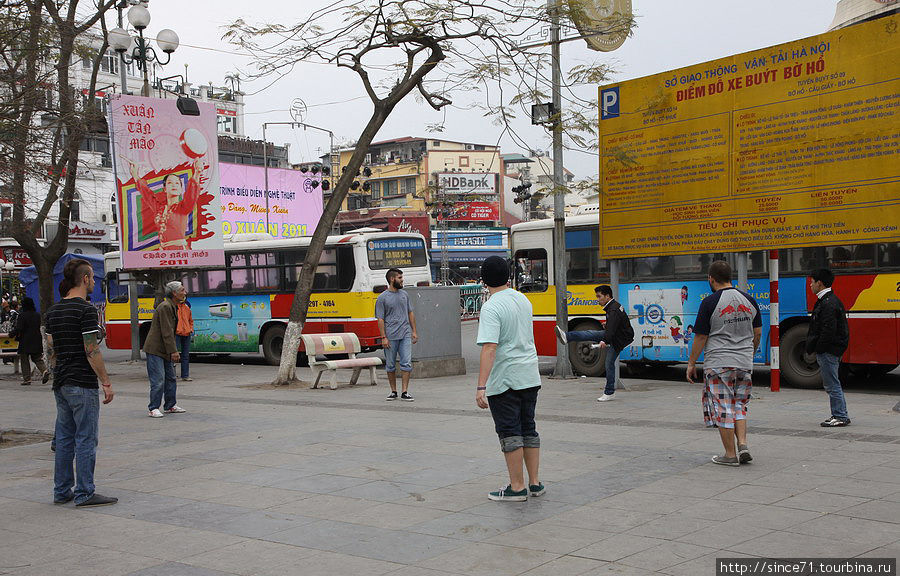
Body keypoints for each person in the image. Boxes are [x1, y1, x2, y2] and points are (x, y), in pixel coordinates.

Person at [45, 258, 117, 506]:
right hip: (82, 382)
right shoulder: (86, 311)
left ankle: (61, 490)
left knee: (64, 438)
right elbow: (91, 350)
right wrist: (106, 381)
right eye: (93, 278)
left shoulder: (53, 312)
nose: (94, 282)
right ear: (85, 279)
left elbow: (51, 348)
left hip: (61, 383)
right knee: (86, 438)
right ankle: (85, 492)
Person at [476, 256, 543, 502]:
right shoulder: (522, 299)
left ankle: (517, 487)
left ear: (483, 279)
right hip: (529, 375)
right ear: (508, 276)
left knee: (509, 432)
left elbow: (489, 348)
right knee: (529, 428)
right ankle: (534, 483)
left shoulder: (492, 306)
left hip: (506, 379)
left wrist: (481, 386)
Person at [687, 260, 761, 467]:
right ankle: (743, 444)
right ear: (731, 277)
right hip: (744, 362)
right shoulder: (749, 300)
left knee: (723, 406)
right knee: (740, 404)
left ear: (711, 279)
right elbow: (758, 333)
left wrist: (692, 363)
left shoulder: (709, 302)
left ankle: (730, 454)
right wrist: (749, 353)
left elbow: (701, 336)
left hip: (719, 363)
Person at [555, 285, 634, 402]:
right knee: (591, 336)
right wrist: (607, 326)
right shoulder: (613, 307)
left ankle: (609, 392)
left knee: (607, 360)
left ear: (607, 296)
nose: (597, 299)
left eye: (599, 296)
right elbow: (617, 325)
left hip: (619, 338)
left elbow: (612, 329)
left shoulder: (613, 309)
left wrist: (604, 341)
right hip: (619, 336)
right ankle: (567, 336)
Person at [806, 268, 851, 427]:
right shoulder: (830, 300)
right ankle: (841, 414)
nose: (810, 286)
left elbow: (828, 330)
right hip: (832, 349)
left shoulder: (828, 303)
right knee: (833, 383)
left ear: (819, 283)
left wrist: (819, 348)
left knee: (832, 384)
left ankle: (839, 416)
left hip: (829, 350)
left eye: (812, 282)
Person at [128, 158, 204, 250]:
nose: (174, 185)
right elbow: (147, 194)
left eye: (177, 183)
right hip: (163, 251)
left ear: (180, 190)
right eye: (170, 183)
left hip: (179, 250)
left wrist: (197, 172)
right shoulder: (159, 208)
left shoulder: (183, 207)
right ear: (165, 189)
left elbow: (191, 194)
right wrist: (135, 175)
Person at [144, 281, 187, 417]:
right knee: (158, 379)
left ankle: (170, 405)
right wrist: (173, 351)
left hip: (165, 348)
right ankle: (153, 407)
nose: (185, 293)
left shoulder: (173, 305)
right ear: (174, 293)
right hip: (156, 348)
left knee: (171, 378)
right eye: (182, 290)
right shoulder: (165, 307)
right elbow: (166, 331)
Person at [375, 268, 418, 402]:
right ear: (392, 279)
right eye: (400, 278)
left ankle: (405, 391)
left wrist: (414, 331)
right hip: (390, 336)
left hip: (405, 334)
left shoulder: (404, 295)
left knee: (406, 363)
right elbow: (380, 319)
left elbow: (410, 313)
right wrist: (383, 337)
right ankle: (393, 391)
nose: (402, 280)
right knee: (390, 365)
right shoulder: (382, 298)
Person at [14, 297, 49, 385]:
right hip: (36, 339)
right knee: (37, 358)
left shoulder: (22, 315)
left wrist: (12, 334)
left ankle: (27, 379)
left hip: (25, 340)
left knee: (24, 359)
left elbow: (19, 328)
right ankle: (44, 370)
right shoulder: (37, 315)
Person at [175, 296, 194, 381]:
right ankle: (172, 375)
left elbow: (190, 320)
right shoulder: (173, 307)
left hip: (186, 333)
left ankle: (185, 375)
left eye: (184, 296)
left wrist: (190, 329)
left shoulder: (187, 307)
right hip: (176, 333)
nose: (183, 297)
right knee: (173, 355)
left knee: (185, 355)